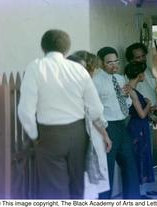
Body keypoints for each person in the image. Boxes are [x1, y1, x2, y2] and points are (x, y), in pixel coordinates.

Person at [18, 29, 105, 199]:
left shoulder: (36, 67)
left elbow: (25, 110)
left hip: (49, 134)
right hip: (78, 133)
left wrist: (35, 135)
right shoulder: (78, 69)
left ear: (43, 47)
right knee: (77, 185)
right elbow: (96, 108)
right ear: (67, 49)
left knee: (53, 189)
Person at [93, 46, 140, 199]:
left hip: (122, 125)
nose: (114, 65)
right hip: (107, 128)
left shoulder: (120, 78)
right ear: (101, 63)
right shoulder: (96, 82)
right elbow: (93, 109)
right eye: (109, 62)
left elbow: (126, 104)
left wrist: (126, 96)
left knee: (130, 167)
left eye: (116, 61)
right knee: (107, 171)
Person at [67, 53, 112, 198]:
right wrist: (105, 135)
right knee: (89, 182)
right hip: (88, 134)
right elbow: (95, 113)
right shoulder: (85, 85)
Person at [125, 42, 157, 197]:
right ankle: (138, 191)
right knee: (139, 156)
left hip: (147, 119)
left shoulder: (147, 72)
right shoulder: (130, 79)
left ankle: (144, 189)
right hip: (139, 122)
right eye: (137, 57)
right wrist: (150, 108)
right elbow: (138, 107)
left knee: (146, 155)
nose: (141, 59)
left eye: (142, 56)